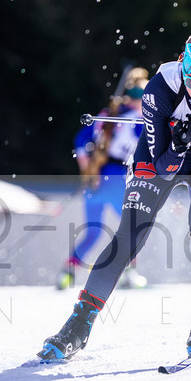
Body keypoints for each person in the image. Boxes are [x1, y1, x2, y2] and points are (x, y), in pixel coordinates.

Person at [38, 15, 191, 361]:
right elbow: (162, 167)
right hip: (164, 155)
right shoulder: (160, 89)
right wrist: (178, 144)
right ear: (184, 73)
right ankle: (78, 325)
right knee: (128, 235)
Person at [57, 67, 150, 290]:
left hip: (95, 179)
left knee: (93, 231)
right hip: (118, 176)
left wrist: (88, 168)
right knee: (132, 227)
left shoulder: (107, 115)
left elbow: (80, 140)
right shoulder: (136, 119)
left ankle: (67, 273)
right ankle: (129, 273)